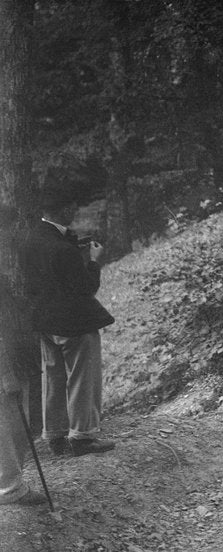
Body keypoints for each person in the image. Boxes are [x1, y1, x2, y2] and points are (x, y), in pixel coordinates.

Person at [23, 194, 115, 457]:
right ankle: (83, 436)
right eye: (71, 206)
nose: (75, 210)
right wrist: (94, 260)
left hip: (45, 321)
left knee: (53, 378)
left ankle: (55, 436)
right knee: (83, 377)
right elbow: (86, 288)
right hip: (74, 323)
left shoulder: (31, 239)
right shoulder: (63, 249)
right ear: (61, 209)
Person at [0, 208, 48, 506]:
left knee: (16, 422)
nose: (9, 235)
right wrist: (6, 374)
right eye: (6, 228)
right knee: (10, 422)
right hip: (4, 359)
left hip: (13, 352)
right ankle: (10, 487)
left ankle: (10, 481)